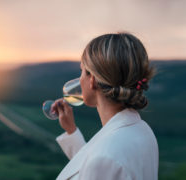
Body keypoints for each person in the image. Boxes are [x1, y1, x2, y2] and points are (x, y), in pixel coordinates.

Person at [51, 32, 159, 180]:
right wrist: (72, 132)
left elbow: (101, 163)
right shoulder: (142, 130)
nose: (79, 78)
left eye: (82, 70)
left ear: (92, 80)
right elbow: (94, 167)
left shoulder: (104, 159)